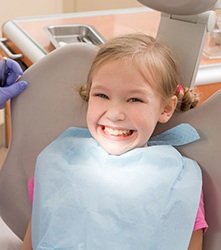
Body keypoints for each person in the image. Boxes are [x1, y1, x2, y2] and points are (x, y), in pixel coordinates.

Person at [22, 33, 207, 250]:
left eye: (134, 99)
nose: (115, 114)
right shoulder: (58, 164)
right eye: (102, 95)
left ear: (166, 108)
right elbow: (33, 241)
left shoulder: (178, 182)